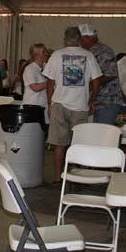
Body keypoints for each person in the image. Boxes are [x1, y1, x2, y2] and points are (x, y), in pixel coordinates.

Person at [43, 26, 102, 182]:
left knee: (59, 145)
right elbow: (97, 80)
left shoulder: (56, 55)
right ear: (80, 39)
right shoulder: (88, 55)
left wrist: (50, 104)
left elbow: (50, 82)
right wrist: (93, 99)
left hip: (59, 104)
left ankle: (57, 177)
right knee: (79, 144)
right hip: (80, 106)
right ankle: (77, 178)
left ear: (65, 39)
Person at [79, 24, 124, 125]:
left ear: (88, 38)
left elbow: (111, 74)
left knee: (102, 136)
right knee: (94, 136)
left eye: (81, 39)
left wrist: (90, 85)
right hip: (96, 101)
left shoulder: (104, 51)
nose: (80, 42)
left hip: (107, 101)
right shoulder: (88, 52)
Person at [22, 44, 49, 122]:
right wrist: (50, 82)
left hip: (43, 106)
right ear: (36, 55)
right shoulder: (30, 69)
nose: (46, 54)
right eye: (43, 52)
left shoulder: (45, 68)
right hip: (32, 107)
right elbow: (35, 87)